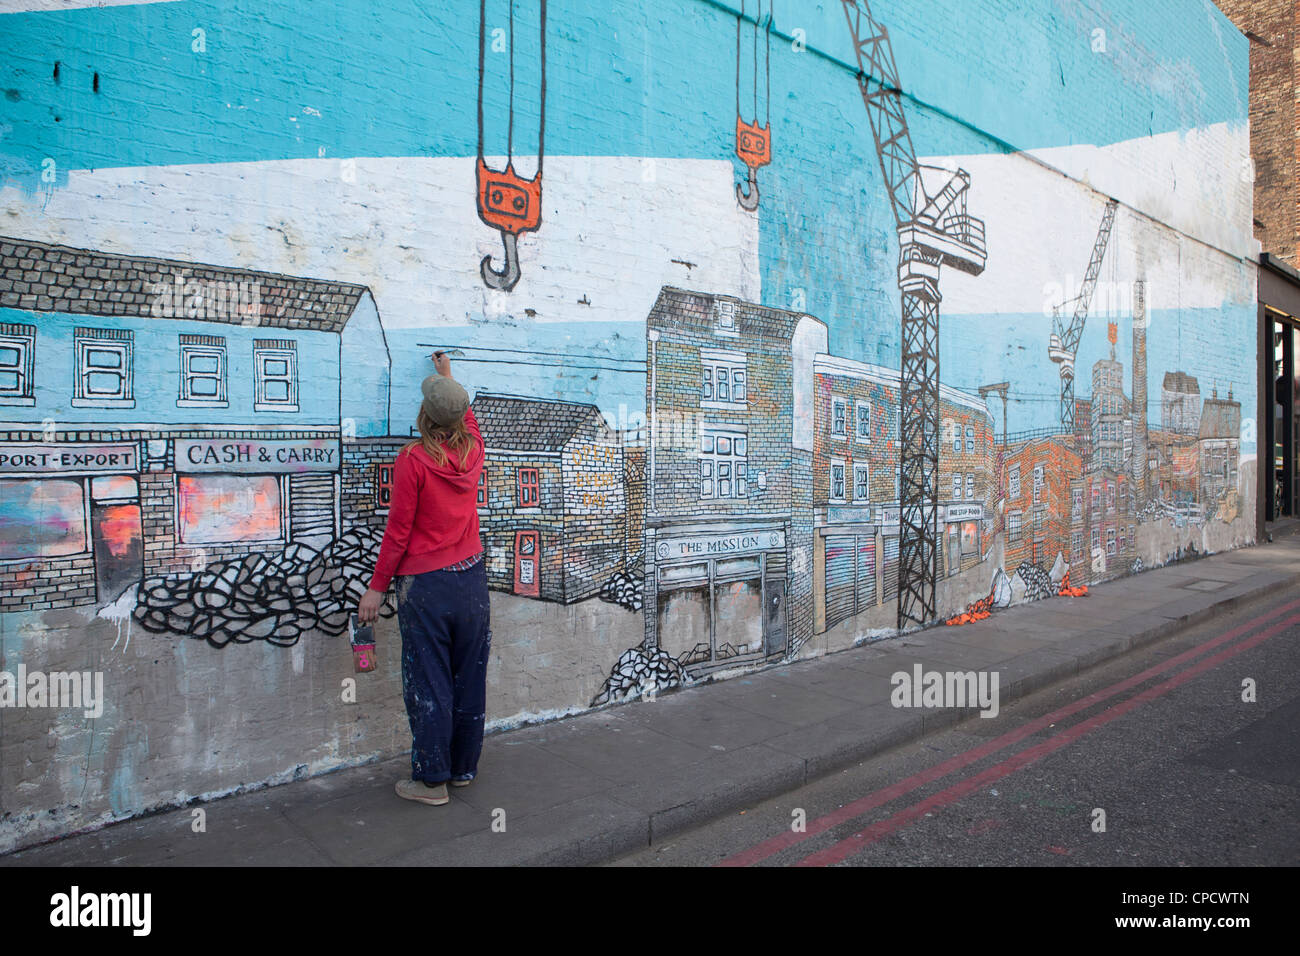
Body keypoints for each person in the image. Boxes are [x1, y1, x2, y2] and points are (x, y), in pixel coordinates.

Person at [357, 352, 489, 806]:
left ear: (424, 417)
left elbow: (398, 532)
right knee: (469, 676)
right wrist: (449, 378)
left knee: (429, 680)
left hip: (427, 586)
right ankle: (463, 769)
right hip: (472, 580)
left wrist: (376, 587)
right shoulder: (474, 449)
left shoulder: (412, 460)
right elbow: (467, 419)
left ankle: (432, 781)